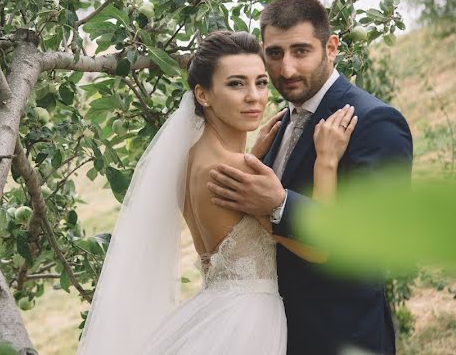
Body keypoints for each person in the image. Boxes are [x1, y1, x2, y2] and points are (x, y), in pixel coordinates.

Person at [76, 30, 358, 354]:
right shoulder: (238, 171)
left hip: (213, 312)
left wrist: (251, 155)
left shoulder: (188, 160)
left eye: (261, 82)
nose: (254, 96)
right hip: (247, 325)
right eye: (236, 84)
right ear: (203, 95)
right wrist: (326, 161)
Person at [207, 0, 413, 355]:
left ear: (330, 47)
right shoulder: (280, 123)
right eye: (274, 54)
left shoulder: (375, 122)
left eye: (301, 51)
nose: (286, 70)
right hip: (275, 334)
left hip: (341, 336)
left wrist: (279, 205)